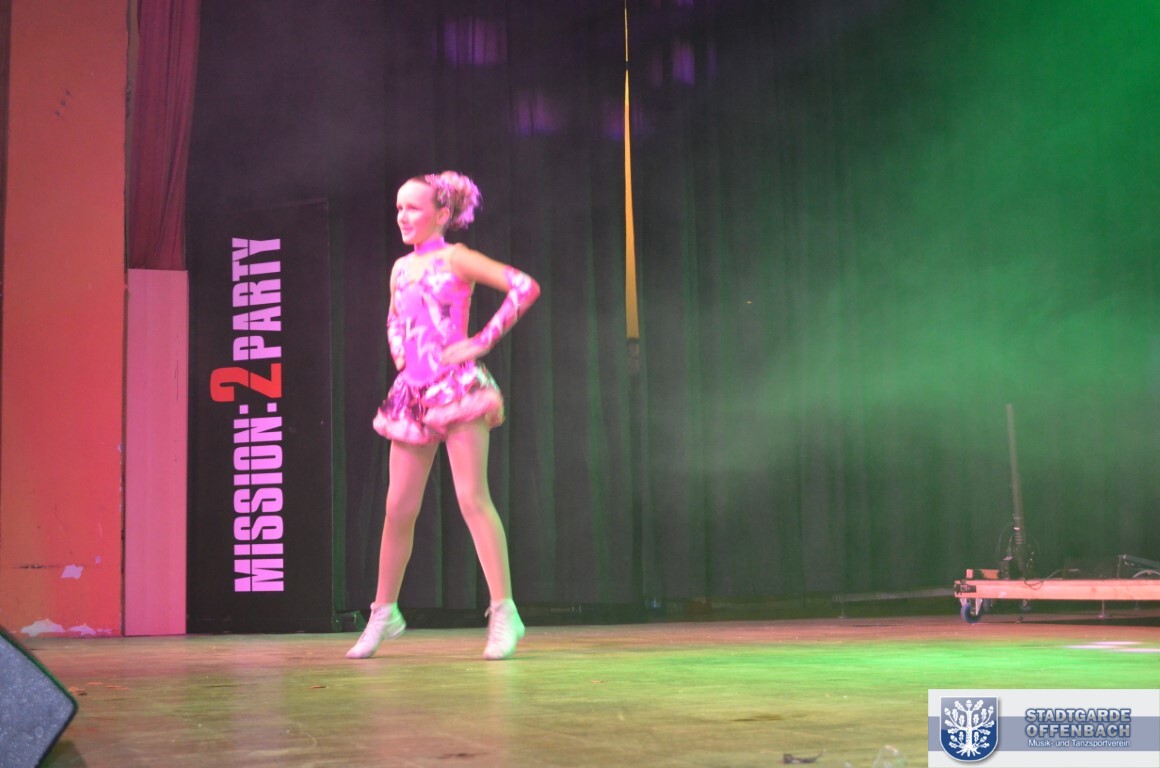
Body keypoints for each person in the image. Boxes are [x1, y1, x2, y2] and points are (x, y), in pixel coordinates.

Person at [346, 171, 540, 661]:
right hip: (413, 394)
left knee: (472, 497)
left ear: (443, 214)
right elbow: (394, 317)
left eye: (412, 207)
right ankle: (384, 612)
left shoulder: (457, 258)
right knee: (397, 508)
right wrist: (400, 355)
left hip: (457, 389)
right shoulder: (400, 268)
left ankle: (505, 612)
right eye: (398, 208)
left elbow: (523, 286)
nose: (402, 216)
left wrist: (481, 341)